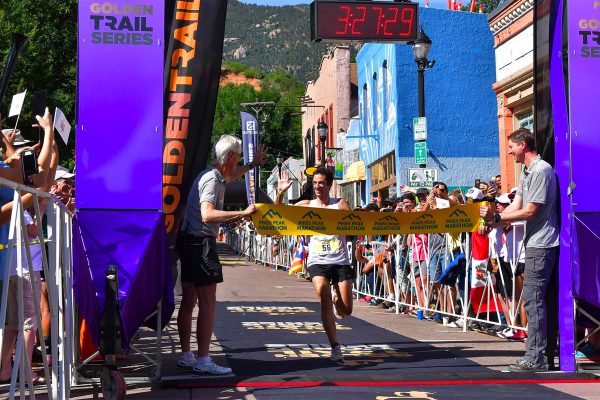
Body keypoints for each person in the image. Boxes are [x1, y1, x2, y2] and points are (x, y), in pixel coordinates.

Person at [176, 135, 266, 375]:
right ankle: (204, 360)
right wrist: (241, 214)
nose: (238, 165)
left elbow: (231, 175)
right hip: (201, 243)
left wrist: (252, 166)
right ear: (232, 156)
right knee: (207, 303)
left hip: (189, 241)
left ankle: (186, 355)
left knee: (188, 302)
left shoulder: (211, 173)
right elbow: (207, 214)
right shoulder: (213, 180)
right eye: (238, 159)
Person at [480, 128, 559, 372]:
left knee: (533, 301)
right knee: (537, 301)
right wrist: (496, 219)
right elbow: (517, 204)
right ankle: (541, 356)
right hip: (534, 244)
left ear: (523, 145)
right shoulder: (527, 172)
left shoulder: (541, 170)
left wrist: (498, 217)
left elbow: (530, 211)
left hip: (542, 244)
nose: (510, 151)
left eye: (512, 146)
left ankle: (536, 358)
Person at [276, 167, 353, 362]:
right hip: (317, 260)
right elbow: (279, 212)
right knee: (323, 295)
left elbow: (356, 222)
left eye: (321, 183)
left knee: (346, 310)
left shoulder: (340, 204)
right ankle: (335, 346)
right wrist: (281, 192)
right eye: (315, 183)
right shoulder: (306, 204)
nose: (317, 186)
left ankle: (338, 302)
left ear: (329, 184)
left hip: (340, 259)